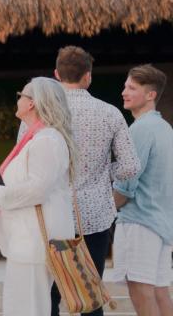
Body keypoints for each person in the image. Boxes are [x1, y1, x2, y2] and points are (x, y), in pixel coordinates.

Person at [24, 47, 139, 316]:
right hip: (95, 217)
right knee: (90, 293)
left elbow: (24, 162)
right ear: (88, 76)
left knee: (48, 295)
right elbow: (131, 166)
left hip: (51, 217)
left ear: (55, 75)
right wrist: (102, 172)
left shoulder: (39, 113)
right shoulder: (110, 113)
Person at [0, 77, 77, 316]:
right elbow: (21, 187)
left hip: (36, 241)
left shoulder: (46, 140)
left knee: (28, 308)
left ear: (32, 104)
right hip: (27, 240)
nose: (18, 99)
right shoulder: (35, 139)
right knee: (21, 307)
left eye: (22, 95)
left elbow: (37, 189)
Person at [112, 65, 173, 316]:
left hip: (139, 222)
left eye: (132, 88)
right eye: (126, 86)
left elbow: (126, 187)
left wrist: (102, 213)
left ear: (150, 95)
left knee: (140, 289)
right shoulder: (165, 129)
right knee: (159, 290)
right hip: (161, 223)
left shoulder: (139, 130)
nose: (124, 92)